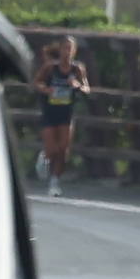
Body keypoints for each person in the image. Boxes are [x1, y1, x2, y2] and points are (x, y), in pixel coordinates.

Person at [33, 35, 89, 198]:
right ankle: (44, 157)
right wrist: (46, 89)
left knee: (63, 149)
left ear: (74, 51)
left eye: (71, 49)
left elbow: (87, 88)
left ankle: (54, 182)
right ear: (60, 49)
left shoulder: (77, 69)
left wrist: (77, 85)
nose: (67, 52)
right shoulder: (50, 68)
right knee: (52, 149)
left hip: (66, 112)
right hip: (50, 112)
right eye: (65, 48)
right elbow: (36, 83)